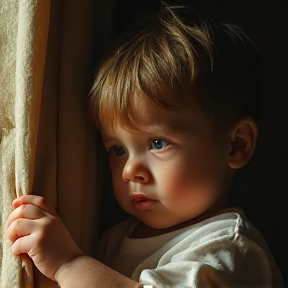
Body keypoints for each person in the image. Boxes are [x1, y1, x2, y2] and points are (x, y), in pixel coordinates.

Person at [6, 3, 284, 288]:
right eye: (117, 150)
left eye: (158, 143)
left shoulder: (229, 249)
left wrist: (68, 264)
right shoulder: (115, 237)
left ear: (236, 144)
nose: (130, 170)